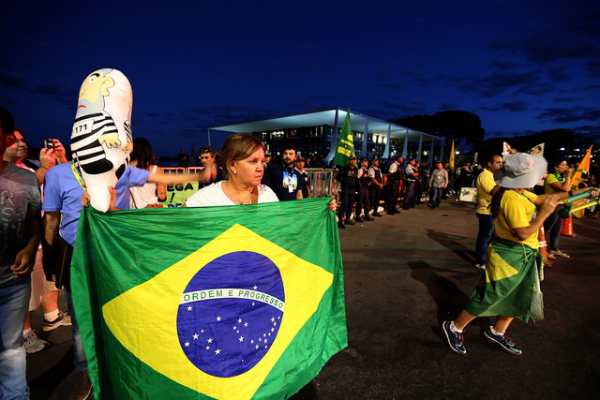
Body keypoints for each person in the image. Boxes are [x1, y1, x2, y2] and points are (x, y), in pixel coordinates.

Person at [45, 150, 210, 399]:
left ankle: (123, 363)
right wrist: (49, 257)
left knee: (123, 309)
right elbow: (51, 218)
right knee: (81, 316)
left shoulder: (121, 171)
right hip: (76, 253)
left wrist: (201, 173)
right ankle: (85, 372)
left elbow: (163, 179)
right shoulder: (57, 174)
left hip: (115, 254)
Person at [441, 152, 598, 356]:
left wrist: (584, 191)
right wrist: (544, 214)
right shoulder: (512, 197)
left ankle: (498, 331)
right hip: (508, 253)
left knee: (519, 296)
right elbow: (523, 233)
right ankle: (454, 327)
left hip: (524, 254)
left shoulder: (520, 191)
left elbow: (543, 198)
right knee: (490, 294)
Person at [3, 127, 72, 354]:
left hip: (41, 238)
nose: (21, 144)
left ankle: (52, 316)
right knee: (25, 293)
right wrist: (43, 168)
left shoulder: (30, 165)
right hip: (19, 244)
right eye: (14, 141)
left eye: (22, 140)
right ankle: (23, 335)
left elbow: (64, 180)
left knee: (47, 282)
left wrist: (61, 159)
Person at [1, 105, 41, 400]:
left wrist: (30, 247)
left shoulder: (26, 179)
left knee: (12, 348)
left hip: (12, 282)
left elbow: (33, 223)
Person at [186, 134, 279, 206]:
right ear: (232, 165)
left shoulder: (267, 194)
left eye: (262, 161)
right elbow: (176, 223)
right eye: (253, 161)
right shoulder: (206, 198)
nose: (260, 168)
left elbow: (280, 227)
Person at [474, 154, 503, 269]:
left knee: (494, 238)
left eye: (502, 162)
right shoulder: (485, 175)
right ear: (490, 164)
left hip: (495, 211)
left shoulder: (496, 175)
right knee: (485, 237)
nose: (501, 164)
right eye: (498, 162)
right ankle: (480, 261)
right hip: (486, 211)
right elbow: (494, 191)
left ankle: (488, 258)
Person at [543, 159, 572, 259]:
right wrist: (568, 176)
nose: (566, 167)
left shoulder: (561, 177)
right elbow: (564, 189)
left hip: (559, 205)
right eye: (563, 165)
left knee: (557, 229)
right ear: (556, 167)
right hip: (550, 205)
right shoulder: (551, 177)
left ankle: (554, 249)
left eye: (566, 165)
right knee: (547, 228)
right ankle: (543, 250)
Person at [129, 137, 167, 209]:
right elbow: (162, 196)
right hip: (152, 208)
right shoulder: (157, 170)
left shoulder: (126, 169)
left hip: (133, 210)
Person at [336, 156, 359, 229]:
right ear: (349, 161)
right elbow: (338, 177)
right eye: (352, 160)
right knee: (344, 205)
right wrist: (344, 182)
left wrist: (357, 188)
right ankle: (340, 221)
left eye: (354, 160)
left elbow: (356, 179)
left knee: (350, 205)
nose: (353, 161)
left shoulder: (356, 169)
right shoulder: (344, 169)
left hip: (353, 189)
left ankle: (347, 219)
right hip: (346, 189)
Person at [355, 158, 374, 222]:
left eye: (367, 162)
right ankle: (357, 216)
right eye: (365, 162)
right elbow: (356, 178)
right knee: (359, 203)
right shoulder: (361, 170)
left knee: (367, 202)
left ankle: (366, 215)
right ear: (362, 163)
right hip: (361, 188)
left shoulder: (367, 170)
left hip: (365, 189)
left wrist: (369, 182)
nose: (367, 163)